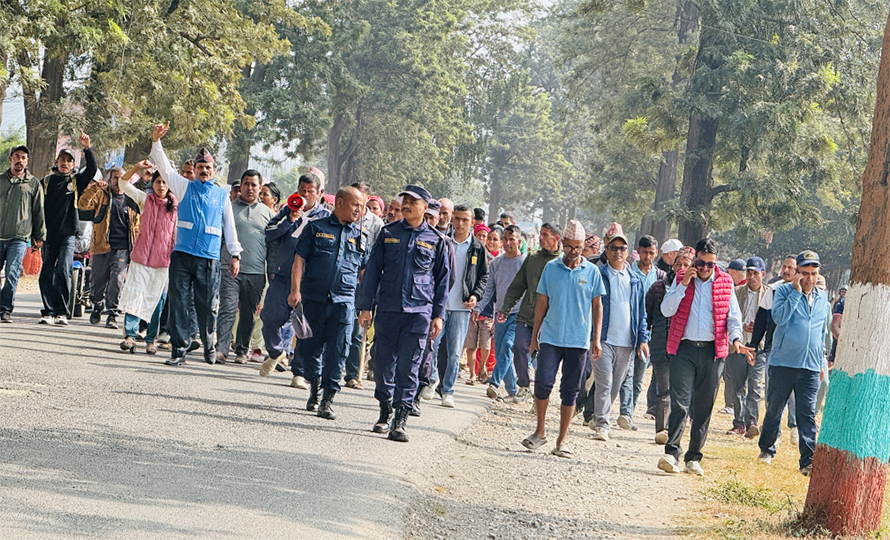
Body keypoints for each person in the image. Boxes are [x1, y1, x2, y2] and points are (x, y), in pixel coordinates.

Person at [356, 185, 450, 442]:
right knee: (382, 361)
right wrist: (365, 307)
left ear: (425, 207)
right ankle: (384, 408)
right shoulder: (388, 234)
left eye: (412, 201)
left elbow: (443, 281)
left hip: (419, 312)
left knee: (409, 366)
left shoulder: (435, 240)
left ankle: (400, 418)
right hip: (388, 308)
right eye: (404, 200)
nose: (406, 204)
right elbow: (373, 272)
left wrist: (438, 315)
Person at [657, 238, 753, 476]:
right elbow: (666, 310)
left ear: (716, 263)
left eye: (710, 264)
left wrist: (736, 340)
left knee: (703, 406)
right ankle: (671, 453)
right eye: (701, 263)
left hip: (713, 352)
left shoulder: (725, 282)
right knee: (680, 401)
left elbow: (733, 316)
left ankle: (693, 457)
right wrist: (683, 284)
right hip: (684, 349)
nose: (705, 268)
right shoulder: (681, 279)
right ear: (694, 260)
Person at [150, 122, 243, 366]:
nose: (204, 170)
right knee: (179, 303)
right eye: (200, 167)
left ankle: (209, 343)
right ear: (195, 168)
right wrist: (156, 142)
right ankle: (178, 350)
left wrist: (235, 254)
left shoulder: (222, 195)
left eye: (208, 167)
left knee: (207, 305)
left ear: (214, 170)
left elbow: (229, 226)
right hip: (182, 255)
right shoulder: (184, 187)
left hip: (208, 257)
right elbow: (165, 169)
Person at [521, 219, 604, 458]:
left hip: (577, 341)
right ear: (562, 243)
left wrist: (596, 338)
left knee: (570, 390)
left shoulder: (592, 272)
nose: (573, 251)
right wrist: (535, 336)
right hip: (550, 337)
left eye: (577, 247)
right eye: (569, 246)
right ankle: (539, 432)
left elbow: (597, 306)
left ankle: (562, 439)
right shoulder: (551, 268)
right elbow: (542, 303)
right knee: (543, 383)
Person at [288, 187, 368, 419]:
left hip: (344, 304)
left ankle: (328, 399)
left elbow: (365, 274)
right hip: (314, 300)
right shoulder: (316, 227)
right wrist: (295, 290)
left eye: (362, 207)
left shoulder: (361, 238)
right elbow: (299, 259)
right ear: (340, 202)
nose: (359, 211)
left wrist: (367, 305)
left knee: (338, 352)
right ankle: (315, 386)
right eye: (356, 205)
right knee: (308, 350)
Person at [757, 251, 830, 476]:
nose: (809, 278)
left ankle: (807, 460)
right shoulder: (782, 291)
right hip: (783, 363)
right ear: (797, 273)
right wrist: (796, 293)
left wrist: (820, 362)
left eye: (814, 274)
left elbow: (821, 332)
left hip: (809, 365)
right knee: (775, 408)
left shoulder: (823, 298)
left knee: (807, 413)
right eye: (805, 273)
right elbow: (779, 318)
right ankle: (767, 449)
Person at [260, 171, 331, 383]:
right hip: (283, 275)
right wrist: (289, 220)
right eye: (302, 191)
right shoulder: (286, 210)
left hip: (310, 281)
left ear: (320, 193)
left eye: (311, 192)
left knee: (304, 328)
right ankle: (276, 351)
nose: (306, 196)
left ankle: (298, 372)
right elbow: (269, 232)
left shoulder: (326, 218)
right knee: (269, 318)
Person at [589, 229, 649, 441]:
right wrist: (593, 337)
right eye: (613, 248)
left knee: (615, 385)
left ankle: (598, 416)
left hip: (626, 342)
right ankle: (603, 424)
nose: (618, 252)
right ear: (606, 251)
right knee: (604, 382)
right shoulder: (598, 274)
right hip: (603, 338)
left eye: (622, 248)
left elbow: (641, 313)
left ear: (627, 252)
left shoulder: (634, 280)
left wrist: (642, 339)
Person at [117, 161, 177, 354]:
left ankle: (151, 340)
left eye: (165, 182)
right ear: (153, 183)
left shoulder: (177, 207)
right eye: (158, 181)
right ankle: (130, 336)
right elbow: (123, 184)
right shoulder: (145, 200)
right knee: (135, 294)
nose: (161, 186)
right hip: (140, 258)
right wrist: (136, 167)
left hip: (162, 263)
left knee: (156, 301)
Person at [216, 170, 274, 363]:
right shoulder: (228, 208)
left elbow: (273, 246)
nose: (250, 188)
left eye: (254, 185)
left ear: (260, 188)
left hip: (256, 272)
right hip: (229, 268)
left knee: (248, 313)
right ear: (240, 186)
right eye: (246, 184)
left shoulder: (268, 214)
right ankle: (222, 348)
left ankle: (242, 350)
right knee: (228, 309)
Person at [39, 130, 97, 325]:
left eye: (69, 161)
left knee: (64, 269)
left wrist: (87, 147)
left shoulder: (75, 181)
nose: (65, 163)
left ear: (73, 165)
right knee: (47, 271)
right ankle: (47, 311)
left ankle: (61, 312)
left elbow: (92, 169)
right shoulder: (46, 181)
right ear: (56, 162)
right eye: (62, 160)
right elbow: (36, 208)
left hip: (68, 235)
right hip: (48, 235)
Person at [435, 204, 488, 408]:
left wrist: (475, 295)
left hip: (461, 306)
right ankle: (431, 381)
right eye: (456, 218)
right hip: (439, 305)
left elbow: (483, 276)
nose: (459, 223)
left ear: (472, 223)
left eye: (464, 220)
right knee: (432, 345)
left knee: (455, 351)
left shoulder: (477, 247)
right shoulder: (442, 241)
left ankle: (448, 390)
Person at [500, 223, 562, 398]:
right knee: (519, 346)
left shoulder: (562, 262)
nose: (540, 238)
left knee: (544, 361)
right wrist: (505, 308)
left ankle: (541, 396)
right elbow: (518, 285)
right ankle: (524, 386)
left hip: (550, 321)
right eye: (540, 234)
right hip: (527, 315)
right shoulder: (532, 259)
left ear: (556, 238)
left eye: (544, 234)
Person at [78, 167, 140, 329]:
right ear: (110, 179)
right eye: (115, 178)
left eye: (121, 178)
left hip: (122, 248)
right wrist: (94, 188)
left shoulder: (131, 199)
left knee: (117, 281)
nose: (118, 181)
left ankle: (112, 313)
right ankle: (97, 305)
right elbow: (83, 204)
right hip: (101, 246)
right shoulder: (102, 195)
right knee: (97, 282)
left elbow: (137, 225)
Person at [645, 247, 694, 444]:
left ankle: (678, 427)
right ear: (672, 266)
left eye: (686, 265)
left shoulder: (696, 288)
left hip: (685, 347)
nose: (682, 267)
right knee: (664, 388)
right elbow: (647, 316)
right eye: (678, 264)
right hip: (661, 344)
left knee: (682, 390)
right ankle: (663, 429)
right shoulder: (658, 287)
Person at [750, 254, 799, 442]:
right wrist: (754, 344)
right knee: (773, 392)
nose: (786, 271)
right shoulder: (772, 290)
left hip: (797, 351)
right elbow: (761, 319)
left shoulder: (806, 292)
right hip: (774, 349)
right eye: (784, 267)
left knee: (795, 394)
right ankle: (774, 432)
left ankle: (795, 427)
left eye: (791, 268)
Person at [475, 225, 526, 401]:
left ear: (519, 241)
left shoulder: (525, 263)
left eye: (512, 239)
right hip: (501, 314)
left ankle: (494, 384)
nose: (508, 243)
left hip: (519, 315)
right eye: (505, 239)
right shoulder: (496, 263)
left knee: (507, 346)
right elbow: (489, 289)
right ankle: (513, 391)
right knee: (503, 350)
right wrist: (478, 307)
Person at [618, 234, 664, 426]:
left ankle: (629, 411)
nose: (647, 256)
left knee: (638, 376)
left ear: (656, 253)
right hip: (628, 329)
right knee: (624, 373)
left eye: (651, 253)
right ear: (639, 251)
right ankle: (624, 412)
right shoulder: (629, 272)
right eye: (644, 252)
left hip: (649, 334)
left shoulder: (660, 276)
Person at [0, 145, 45, 323]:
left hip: (19, 237)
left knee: (12, 273)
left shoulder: (33, 184)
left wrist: (39, 235)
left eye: (24, 158)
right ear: (10, 158)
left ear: (27, 161)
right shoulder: (1, 180)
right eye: (17, 156)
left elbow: (38, 210)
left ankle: (5, 310)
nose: (20, 160)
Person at [725, 256, 768, 438]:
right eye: (749, 273)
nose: (752, 277)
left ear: (763, 274)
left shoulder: (769, 295)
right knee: (737, 385)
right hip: (738, 345)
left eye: (755, 273)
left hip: (758, 346)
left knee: (755, 386)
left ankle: (752, 422)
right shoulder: (736, 292)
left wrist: (759, 330)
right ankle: (739, 423)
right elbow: (729, 317)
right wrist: (742, 327)